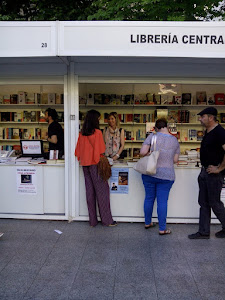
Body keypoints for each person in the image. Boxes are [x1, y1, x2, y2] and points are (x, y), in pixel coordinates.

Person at [75, 109, 117, 227]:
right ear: (95, 120)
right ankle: (107, 220)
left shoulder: (81, 133)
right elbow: (101, 150)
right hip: (95, 164)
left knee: (90, 192)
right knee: (102, 192)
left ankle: (92, 221)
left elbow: (77, 152)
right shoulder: (97, 133)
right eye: (98, 118)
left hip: (85, 165)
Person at [188, 107, 225, 239]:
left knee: (214, 202)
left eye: (202, 116)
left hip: (214, 174)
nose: (199, 119)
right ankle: (204, 232)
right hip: (204, 172)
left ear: (211, 117)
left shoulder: (220, 132)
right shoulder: (208, 131)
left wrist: (219, 168)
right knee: (203, 202)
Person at [140, 118, 180, 235]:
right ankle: (162, 229)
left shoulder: (152, 137)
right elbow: (175, 160)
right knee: (162, 202)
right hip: (166, 176)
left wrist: (149, 152)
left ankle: (148, 223)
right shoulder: (174, 140)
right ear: (166, 126)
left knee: (149, 198)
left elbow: (142, 152)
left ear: (156, 128)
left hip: (150, 173)